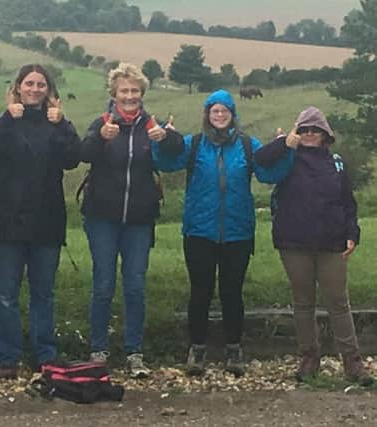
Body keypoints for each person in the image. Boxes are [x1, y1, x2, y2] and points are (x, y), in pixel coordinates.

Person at [153, 89, 293, 377]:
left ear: (232, 115)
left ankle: (234, 349)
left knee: (232, 293)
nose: (219, 115)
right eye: (214, 111)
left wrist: (285, 149)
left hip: (237, 232)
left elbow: (269, 174)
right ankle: (197, 349)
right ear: (207, 115)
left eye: (224, 111)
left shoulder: (246, 144)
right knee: (200, 292)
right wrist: (162, 142)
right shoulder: (192, 144)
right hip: (198, 231)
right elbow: (165, 164)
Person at [254, 106, 373, 386]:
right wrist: (285, 142)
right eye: (304, 129)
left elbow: (348, 202)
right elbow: (259, 161)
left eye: (314, 130)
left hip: (332, 243)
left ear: (324, 135)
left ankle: (352, 362)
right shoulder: (287, 157)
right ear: (297, 131)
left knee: (339, 302)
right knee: (303, 303)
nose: (309, 134)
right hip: (294, 242)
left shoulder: (337, 163)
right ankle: (309, 357)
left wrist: (352, 233)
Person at [80, 62, 180, 378]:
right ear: (114, 93)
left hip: (139, 219)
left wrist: (167, 138)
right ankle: (98, 350)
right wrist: (100, 138)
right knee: (104, 284)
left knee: (135, 285)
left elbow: (177, 153)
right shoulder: (101, 123)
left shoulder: (152, 125)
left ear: (142, 94)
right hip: (101, 218)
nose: (130, 96)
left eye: (135, 91)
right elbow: (83, 154)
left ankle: (135, 352)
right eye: (124, 90)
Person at [0, 64, 80, 379]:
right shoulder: (4, 122)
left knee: (43, 293)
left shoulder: (58, 124)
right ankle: (6, 358)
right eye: (29, 83)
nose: (35, 89)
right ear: (18, 88)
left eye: (41, 84)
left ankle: (45, 355)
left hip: (47, 221)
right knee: (6, 293)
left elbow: (72, 158)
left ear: (49, 91)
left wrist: (63, 123)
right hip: (7, 220)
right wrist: (8, 121)